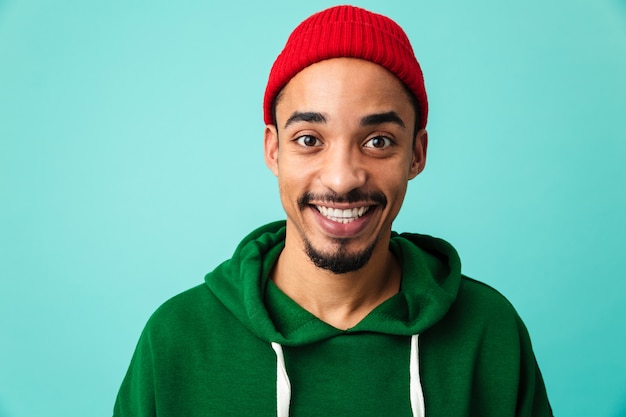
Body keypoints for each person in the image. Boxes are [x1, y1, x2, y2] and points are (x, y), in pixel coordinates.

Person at [113, 5, 552, 416]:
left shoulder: (490, 333)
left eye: (378, 140)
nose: (342, 179)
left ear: (416, 155)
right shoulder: (175, 340)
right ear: (274, 150)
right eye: (309, 140)